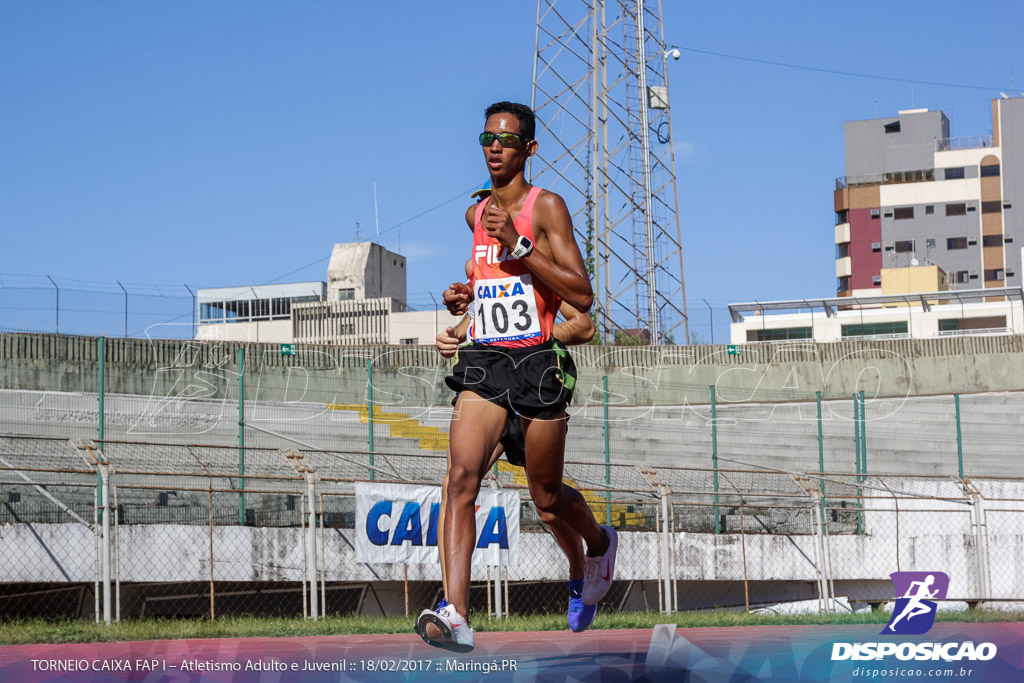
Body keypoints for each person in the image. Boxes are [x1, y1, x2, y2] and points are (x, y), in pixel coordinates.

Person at [416, 102, 617, 651]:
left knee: (548, 499)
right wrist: (461, 312)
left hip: (539, 364)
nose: (494, 147)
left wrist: (520, 245)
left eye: (506, 140)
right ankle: (456, 612)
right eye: (486, 138)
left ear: (528, 149)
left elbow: (580, 294)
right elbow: (491, 289)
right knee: (460, 479)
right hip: (486, 361)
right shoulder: (474, 214)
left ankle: (596, 548)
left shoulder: (545, 207)